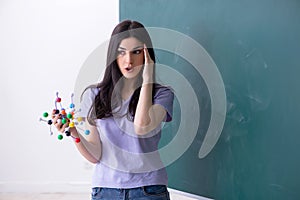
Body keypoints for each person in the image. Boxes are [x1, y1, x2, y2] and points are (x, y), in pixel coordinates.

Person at [52, 20, 174, 200]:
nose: (129, 60)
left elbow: (141, 126)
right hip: (105, 190)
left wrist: (147, 78)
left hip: (148, 189)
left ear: (147, 55)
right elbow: (95, 155)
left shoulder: (161, 94)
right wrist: (72, 130)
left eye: (137, 52)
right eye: (121, 52)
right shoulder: (94, 95)